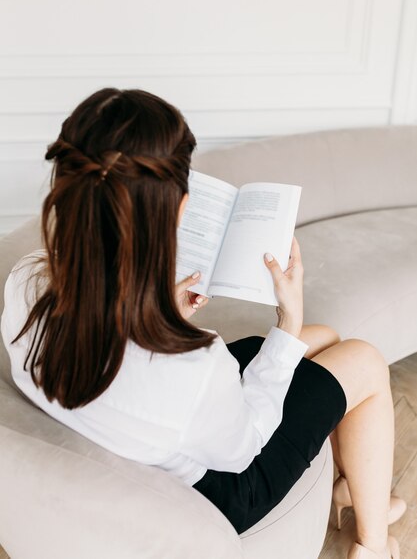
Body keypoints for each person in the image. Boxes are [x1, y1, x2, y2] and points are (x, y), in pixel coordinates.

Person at [1, 88, 405, 559]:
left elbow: (128, 356)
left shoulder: (28, 280)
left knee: (327, 340)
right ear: (171, 208)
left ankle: (351, 486)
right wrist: (287, 319)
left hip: (140, 413)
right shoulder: (187, 361)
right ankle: (373, 546)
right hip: (222, 484)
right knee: (364, 360)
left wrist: (158, 309)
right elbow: (245, 446)